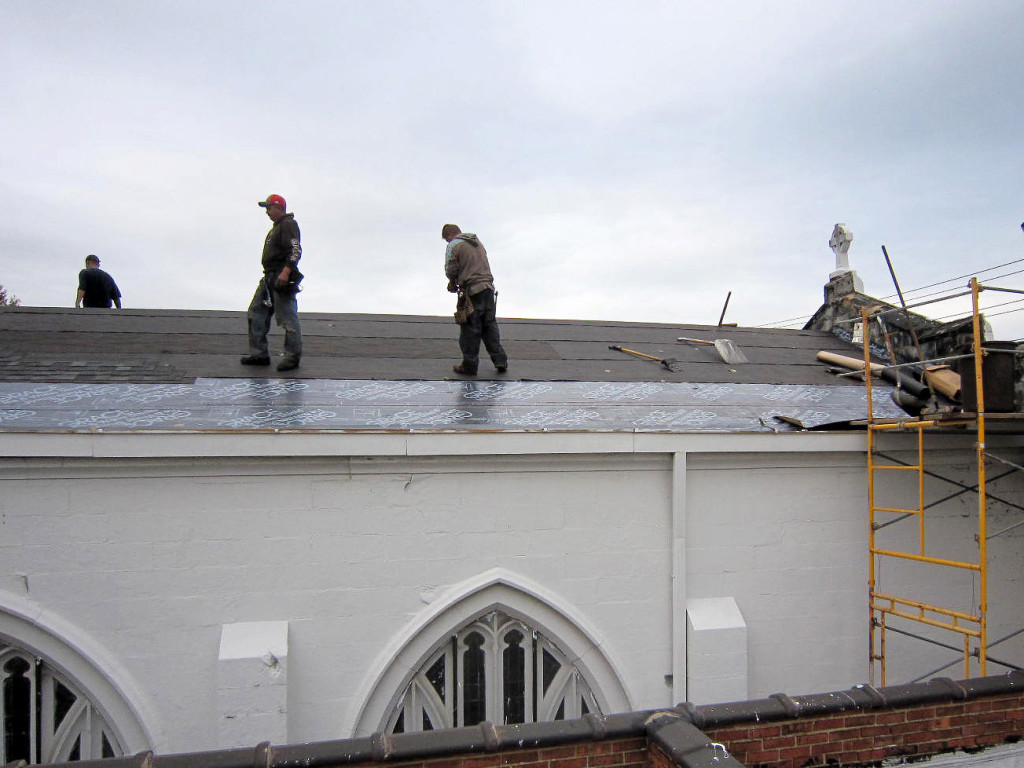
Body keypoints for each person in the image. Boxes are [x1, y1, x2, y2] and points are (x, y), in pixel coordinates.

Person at [242, 194, 304, 372]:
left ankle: (292, 357)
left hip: (280, 275)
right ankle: (259, 353)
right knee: (256, 312)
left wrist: (286, 272)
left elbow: (295, 249)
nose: (267, 212)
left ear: (279, 207)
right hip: (269, 276)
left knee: (287, 317)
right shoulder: (276, 228)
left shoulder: (288, 224)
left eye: (269, 207)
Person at [442, 224, 508, 376]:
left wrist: (452, 282)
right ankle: (500, 360)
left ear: (448, 236)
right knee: (489, 325)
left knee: (470, 328)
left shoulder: (454, 244)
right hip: (488, 288)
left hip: (472, 291)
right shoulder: (477, 242)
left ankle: (469, 366)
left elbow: (451, 268)